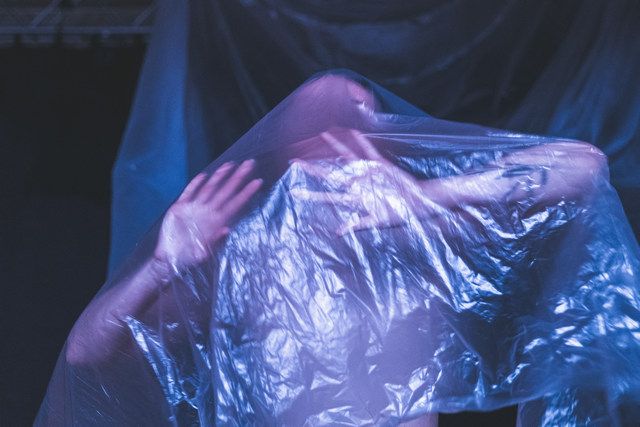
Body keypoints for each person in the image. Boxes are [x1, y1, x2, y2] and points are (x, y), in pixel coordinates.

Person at [44, 73, 614, 426]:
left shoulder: (422, 240)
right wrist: (158, 269)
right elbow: (86, 355)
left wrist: (433, 195)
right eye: (319, 125)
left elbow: (584, 168)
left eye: (361, 119)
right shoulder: (242, 263)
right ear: (286, 153)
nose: (339, 139)